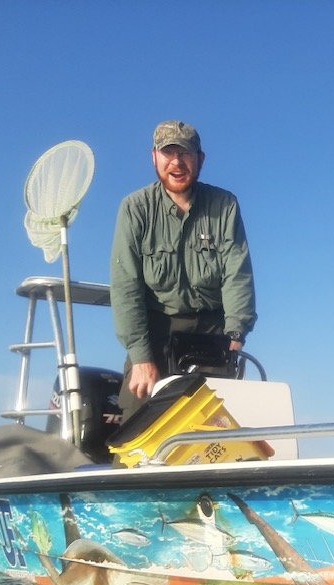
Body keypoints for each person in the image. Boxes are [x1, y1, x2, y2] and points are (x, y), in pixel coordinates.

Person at [110, 120, 257, 416]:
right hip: (156, 332)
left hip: (214, 332)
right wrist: (141, 358)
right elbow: (126, 287)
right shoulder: (134, 208)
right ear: (154, 157)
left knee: (217, 428)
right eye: (168, 153)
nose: (176, 163)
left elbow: (237, 273)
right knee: (134, 426)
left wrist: (236, 336)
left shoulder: (224, 204)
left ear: (200, 159)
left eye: (185, 154)